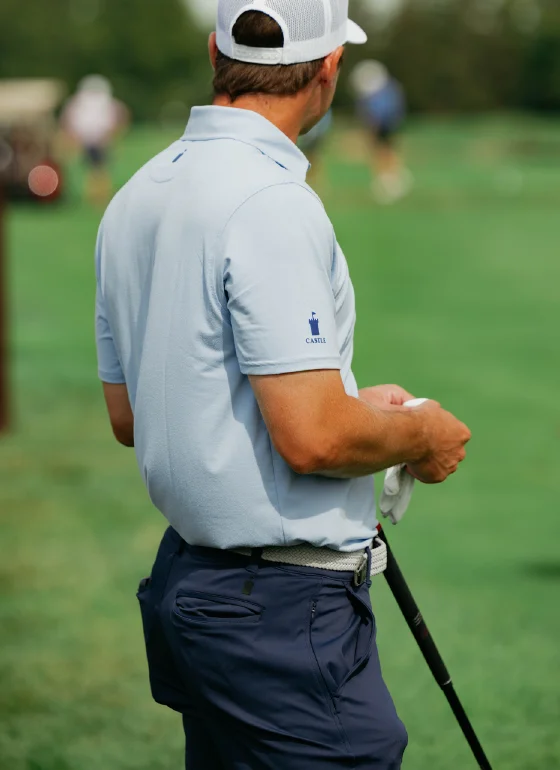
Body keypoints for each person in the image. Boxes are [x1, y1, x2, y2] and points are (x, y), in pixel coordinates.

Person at [95, 1, 471, 768]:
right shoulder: (270, 202)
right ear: (330, 68)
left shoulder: (138, 191)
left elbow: (137, 411)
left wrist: (349, 404)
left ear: (215, 49)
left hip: (196, 594)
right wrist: (420, 436)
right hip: (279, 617)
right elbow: (315, 437)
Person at [61, 75, 129, 206]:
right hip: (94, 138)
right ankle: (97, 196)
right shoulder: (87, 102)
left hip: (97, 138)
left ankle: (98, 195)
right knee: (97, 169)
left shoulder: (80, 102)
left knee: (98, 169)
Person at [350, 60, 412, 203]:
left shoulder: (382, 93)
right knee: (385, 150)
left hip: (383, 123)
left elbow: (374, 113)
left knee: (382, 151)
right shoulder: (389, 89)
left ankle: (389, 180)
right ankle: (389, 179)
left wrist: (372, 126)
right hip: (388, 122)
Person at [297, 108, 333, 188]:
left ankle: (312, 177)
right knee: (308, 154)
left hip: (316, 133)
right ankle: (308, 177)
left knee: (313, 155)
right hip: (313, 134)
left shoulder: (325, 109)